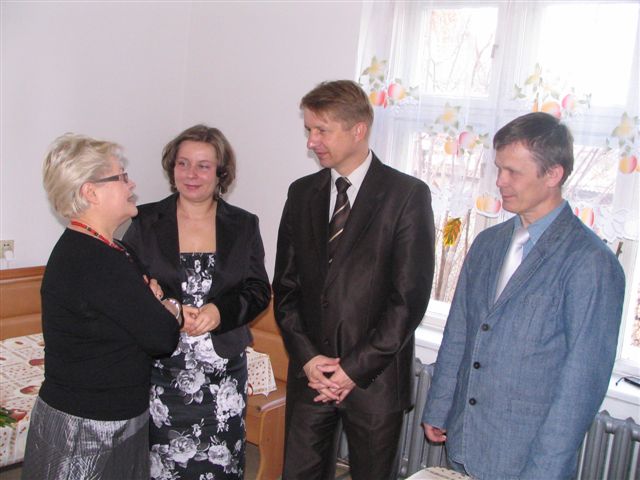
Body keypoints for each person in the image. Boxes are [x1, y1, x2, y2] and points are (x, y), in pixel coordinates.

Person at [422, 112, 626, 479]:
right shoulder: (488, 244)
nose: (500, 181)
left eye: (513, 172)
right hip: (465, 441)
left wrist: (545, 469)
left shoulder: (591, 263)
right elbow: (459, 332)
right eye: (499, 169)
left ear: (553, 174)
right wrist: (439, 406)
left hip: (526, 457)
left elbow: (581, 384)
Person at [273, 80, 436, 480]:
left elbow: (408, 301)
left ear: (358, 129)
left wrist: (352, 369)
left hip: (375, 383)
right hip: (311, 376)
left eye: (322, 130)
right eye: (308, 129)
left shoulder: (406, 196)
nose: (311, 141)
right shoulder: (302, 193)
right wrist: (308, 358)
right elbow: (287, 289)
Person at [22, 134, 182, 479]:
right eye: (121, 176)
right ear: (90, 192)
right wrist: (168, 308)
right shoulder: (94, 260)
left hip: (109, 416)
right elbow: (161, 336)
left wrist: (157, 305)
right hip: (89, 428)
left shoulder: (113, 249)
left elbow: (147, 312)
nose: (131, 183)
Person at [122, 124, 271, 479]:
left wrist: (220, 311)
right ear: (172, 168)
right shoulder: (145, 220)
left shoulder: (243, 224)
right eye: (183, 163)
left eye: (203, 166)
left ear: (221, 173)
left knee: (219, 467)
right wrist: (166, 305)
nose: (191, 174)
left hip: (222, 377)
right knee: (161, 467)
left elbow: (258, 290)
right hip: (160, 370)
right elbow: (127, 285)